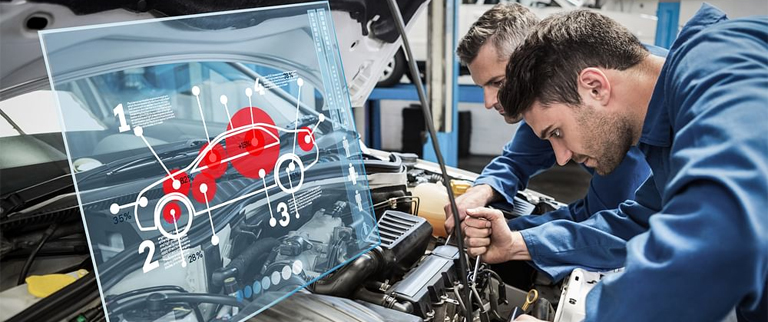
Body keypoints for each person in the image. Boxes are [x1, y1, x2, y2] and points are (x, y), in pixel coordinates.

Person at [463, 5, 767, 321]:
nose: (561, 157)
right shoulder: (664, 133)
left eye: (557, 133)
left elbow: (718, 233)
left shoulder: (722, 66)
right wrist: (516, 243)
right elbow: (637, 223)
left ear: (595, 87)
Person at [448, 3, 661, 281]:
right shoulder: (567, 99)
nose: (489, 102)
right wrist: (482, 193)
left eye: (498, 82)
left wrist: (520, 235)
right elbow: (517, 159)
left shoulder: (621, 117)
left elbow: (612, 225)